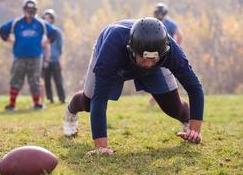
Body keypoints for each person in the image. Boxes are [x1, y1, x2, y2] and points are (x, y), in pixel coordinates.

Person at [63, 17, 204, 155]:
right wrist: (101, 147)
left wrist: (195, 130)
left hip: (156, 64)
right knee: (89, 102)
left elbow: (194, 87)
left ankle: (187, 122)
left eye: (153, 59)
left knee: (173, 107)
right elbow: (100, 97)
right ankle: (71, 110)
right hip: (113, 56)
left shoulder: (171, 51)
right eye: (144, 59)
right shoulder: (113, 45)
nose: (148, 64)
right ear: (131, 49)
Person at [0, 0, 57, 111]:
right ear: (24, 9)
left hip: (36, 57)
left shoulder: (41, 23)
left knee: (35, 80)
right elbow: (2, 30)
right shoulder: (16, 23)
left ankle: (37, 104)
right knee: (15, 79)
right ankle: (12, 104)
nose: (30, 12)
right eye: (28, 9)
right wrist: (9, 40)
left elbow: (54, 33)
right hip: (19, 56)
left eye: (32, 9)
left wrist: (47, 41)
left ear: (35, 10)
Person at [41, 9, 66, 104]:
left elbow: (60, 47)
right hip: (44, 60)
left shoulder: (57, 32)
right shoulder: (42, 32)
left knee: (58, 80)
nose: (47, 20)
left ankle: (62, 98)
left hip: (55, 60)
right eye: (45, 18)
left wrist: (60, 60)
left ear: (52, 19)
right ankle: (50, 98)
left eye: (49, 18)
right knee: (46, 81)